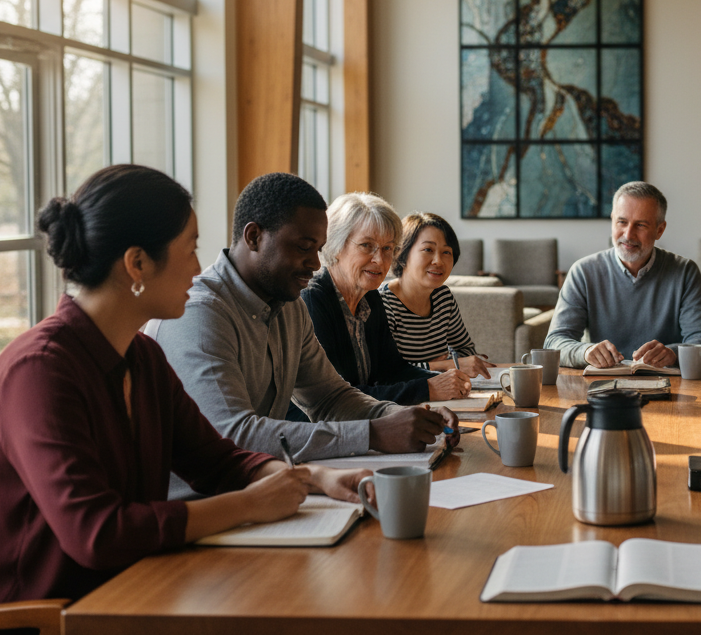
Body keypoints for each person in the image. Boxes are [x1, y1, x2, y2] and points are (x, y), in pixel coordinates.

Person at [0, 165, 371, 606]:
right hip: (37, 615)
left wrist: (310, 478)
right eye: (190, 250)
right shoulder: (38, 370)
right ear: (137, 263)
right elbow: (97, 534)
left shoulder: (142, 356)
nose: (197, 268)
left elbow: (216, 460)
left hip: (125, 590)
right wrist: (249, 504)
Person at [147, 173, 458, 483]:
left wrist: (400, 417)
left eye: (318, 248)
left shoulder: (290, 306)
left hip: (266, 487)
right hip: (200, 506)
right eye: (304, 247)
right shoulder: (199, 313)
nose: (317, 264)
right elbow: (233, 436)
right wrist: (372, 434)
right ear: (254, 236)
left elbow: (330, 398)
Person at [301, 193, 472, 409]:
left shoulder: (370, 297)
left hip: (363, 422)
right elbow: (336, 397)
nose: (380, 260)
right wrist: (428, 388)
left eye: (387, 248)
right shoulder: (313, 302)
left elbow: (393, 370)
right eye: (366, 245)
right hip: (314, 432)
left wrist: (443, 380)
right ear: (336, 245)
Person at [545, 181, 701, 369]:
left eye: (641, 225)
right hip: (601, 389)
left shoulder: (685, 272)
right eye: (622, 222)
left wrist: (673, 354)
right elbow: (554, 343)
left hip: (668, 386)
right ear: (612, 220)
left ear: (659, 230)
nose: (628, 235)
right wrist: (585, 352)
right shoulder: (583, 272)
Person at [382, 212, 496, 376]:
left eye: (446, 252)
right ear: (401, 253)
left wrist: (441, 364)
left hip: (443, 391)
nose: (438, 261)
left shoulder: (443, 297)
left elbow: (466, 350)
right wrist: (443, 365)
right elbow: (387, 371)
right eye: (428, 249)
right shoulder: (383, 303)